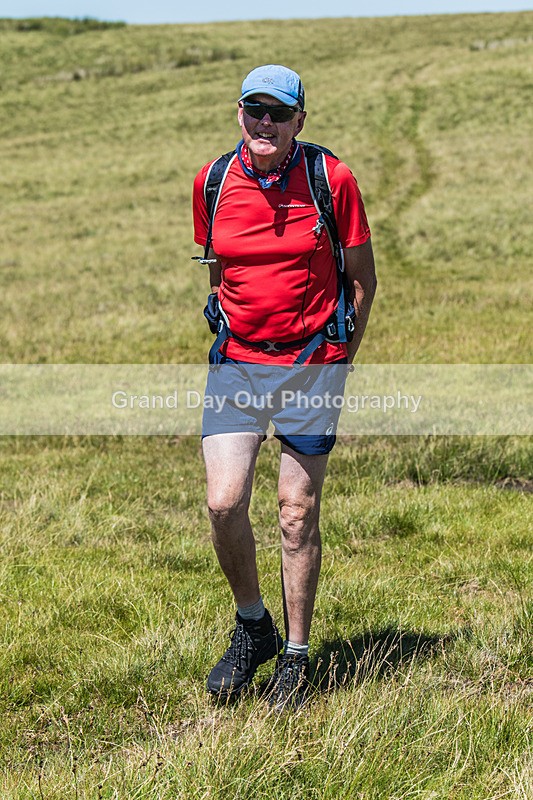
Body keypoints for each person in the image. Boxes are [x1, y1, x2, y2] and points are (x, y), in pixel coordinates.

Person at [192, 64, 376, 710]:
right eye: (253, 110)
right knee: (223, 502)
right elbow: (216, 271)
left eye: (277, 111)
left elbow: (361, 280)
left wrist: (338, 363)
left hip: (311, 364)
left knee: (295, 512)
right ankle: (253, 626)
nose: (263, 122)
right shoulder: (213, 183)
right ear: (238, 113)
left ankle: (296, 657)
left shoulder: (332, 180)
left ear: (301, 118)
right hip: (237, 363)